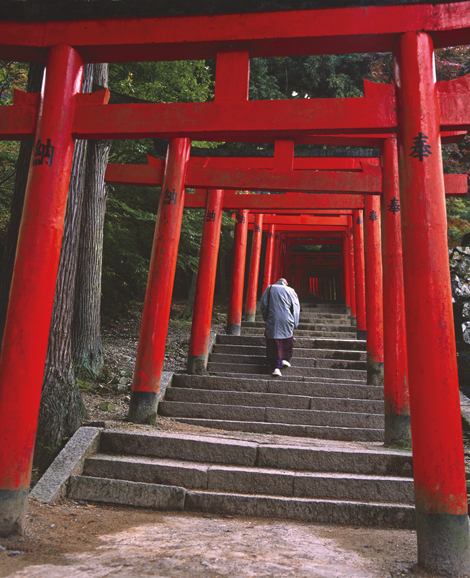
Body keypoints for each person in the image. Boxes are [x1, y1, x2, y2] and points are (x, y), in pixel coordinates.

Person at [260, 278, 300, 376]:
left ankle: (276, 368)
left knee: (274, 342)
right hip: (287, 319)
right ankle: (285, 359)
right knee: (287, 338)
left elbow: (263, 304)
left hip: (273, 319)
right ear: (285, 283)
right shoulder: (290, 290)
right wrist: (295, 322)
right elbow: (296, 307)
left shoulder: (270, 288)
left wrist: (266, 317)